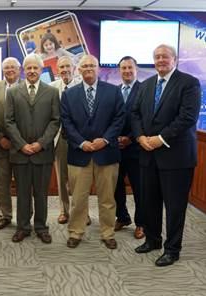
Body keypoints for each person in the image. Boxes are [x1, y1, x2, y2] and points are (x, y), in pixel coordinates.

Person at [132, 44, 201, 267]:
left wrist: (159, 139)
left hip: (176, 157)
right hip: (147, 154)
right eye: (157, 57)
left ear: (175, 59)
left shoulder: (189, 83)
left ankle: (172, 249)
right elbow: (134, 113)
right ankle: (152, 240)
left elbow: (187, 118)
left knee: (174, 207)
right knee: (149, 202)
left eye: (165, 56)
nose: (161, 60)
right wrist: (141, 137)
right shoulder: (146, 85)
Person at [60, 54, 124, 250]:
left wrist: (104, 140)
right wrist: (81, 142)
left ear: (99, 69)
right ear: (78, 70)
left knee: (107, 199)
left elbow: (119, 118)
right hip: (79, 155)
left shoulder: (113, 92)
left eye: (92, 66)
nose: (88, 69)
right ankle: (76, 232)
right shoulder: (69, 94)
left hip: (106, 154)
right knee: (78, 198)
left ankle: (107, 233)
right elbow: (66, 123)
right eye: (84, 66)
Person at [5, 54, 60, 244]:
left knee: (41, 193)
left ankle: (41, 227)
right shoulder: (12, 92)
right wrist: (22, 144)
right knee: (22, 193)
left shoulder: (52, 92)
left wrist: (40, 143)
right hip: (20, 153)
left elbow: (55, 121)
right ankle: (23, 228)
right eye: (28, 68)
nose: (32, 71)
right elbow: (8, 121)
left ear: (41, 69)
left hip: (43, 153)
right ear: (23, 70)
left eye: (35, 68)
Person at [0, 57, 21, 230]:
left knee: (23, 183)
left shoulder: (26, 87)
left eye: (12, 67)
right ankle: (5, 215)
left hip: (23, 146)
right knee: (2, 182)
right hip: (1, 145)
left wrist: (19, 141)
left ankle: (24, 216)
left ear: (19, 69)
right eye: (6, 68)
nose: (9, 70)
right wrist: (0, 138)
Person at [113, 56, 144, 239]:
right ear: (119, 71)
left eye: (130, 67)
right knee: (116, 187)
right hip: (115, 149)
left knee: (139, 189)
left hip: (136, 149)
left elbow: (145, 119)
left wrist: (131, 138)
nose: (127, 71)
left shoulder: (144, 90)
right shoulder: (115, 91)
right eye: (123, 68)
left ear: (136, 69)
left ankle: (141, 223)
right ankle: (122, 217)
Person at [50, 56, 80, 225]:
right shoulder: (52, 88)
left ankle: (81, 210)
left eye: (68, 66)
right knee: (61, 178)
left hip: (79, 139)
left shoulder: (81, 87)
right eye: (61, 67)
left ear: (74, 68)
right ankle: (64, 210)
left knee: (79, 178)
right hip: (60, 138)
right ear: (57, 70)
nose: (65, 70)